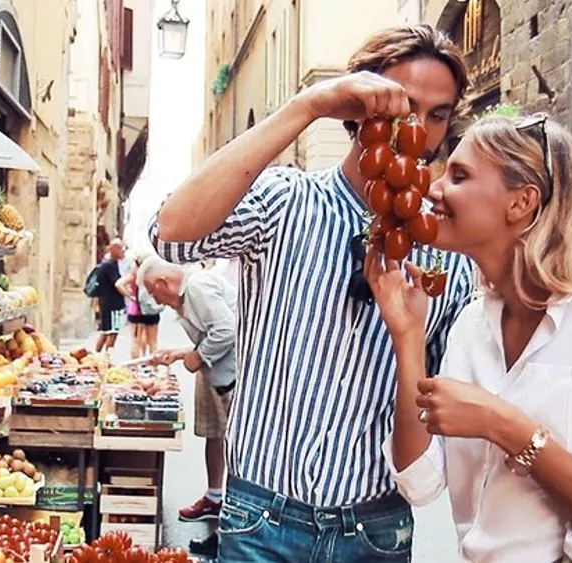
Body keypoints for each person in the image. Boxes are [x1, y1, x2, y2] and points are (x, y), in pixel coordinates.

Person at [150, 25, 473, 561]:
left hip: (374, 526)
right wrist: (307, 106)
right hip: (262, 518)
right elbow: (172, 233)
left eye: (436, 114)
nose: (419, 128)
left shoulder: (444, 253)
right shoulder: (286, 202)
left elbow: (429, 412)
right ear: (358, 107)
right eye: (402, 105)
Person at [365, 114, 572, 562]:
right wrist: (406, 337)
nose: (433, 188)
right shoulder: (472, 325)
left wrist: (506, 426)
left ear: (521, 202)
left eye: (458, 175)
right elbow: (419, 482)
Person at [138, 256, 236, 557]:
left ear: (162, 283)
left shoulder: (197, 287)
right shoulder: (189, 291)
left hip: (232, 376)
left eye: (155, 295)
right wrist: (181, 354)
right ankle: (216, 501)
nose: (159, 302)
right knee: (217, 437)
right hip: (219, 375)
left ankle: (229, 535)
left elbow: (226, 330)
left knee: (237, 453)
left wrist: (195, 357)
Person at [95, 239, 126, 353]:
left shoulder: (107, 264)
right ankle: (106, 357)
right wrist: (130, 296)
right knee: (112, 332)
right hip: (112, 304)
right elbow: (117, 284)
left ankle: (97, 355)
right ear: (114, 249)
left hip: (106, 303)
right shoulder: (110, 265)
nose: (123, 252)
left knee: (105, 331)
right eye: (121, 249)